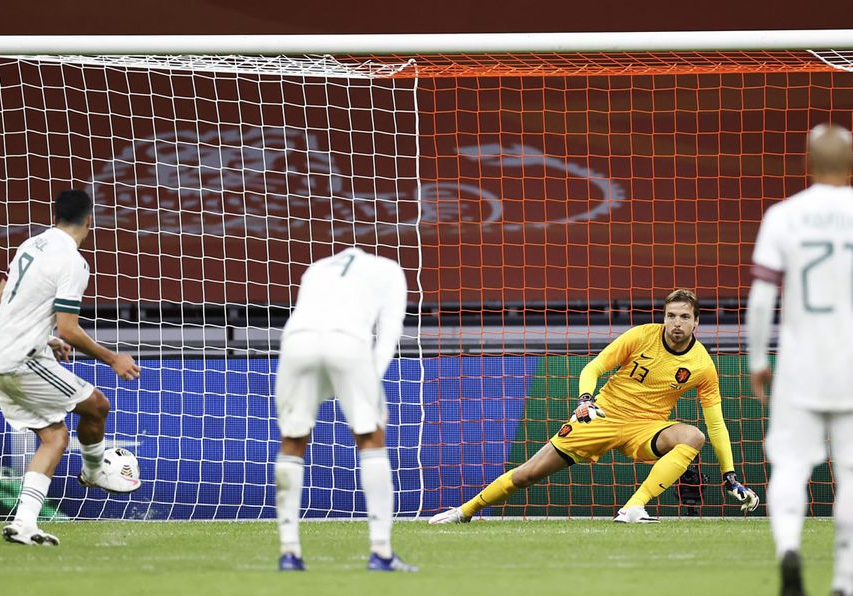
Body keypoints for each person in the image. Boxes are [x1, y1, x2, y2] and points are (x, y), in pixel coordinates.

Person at [430, 288, 759, 525]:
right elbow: (594, 368)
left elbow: (716, 424)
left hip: (645, 429)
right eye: (671, 315)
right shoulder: (640, 336)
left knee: (693, 436)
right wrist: (586, 399)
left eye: (684, 317)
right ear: (663, 317)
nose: (676, 323)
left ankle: (632, 508)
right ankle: (464, 511)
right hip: (601, 416)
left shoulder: (702, 366)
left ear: (696, 322)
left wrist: (729, 475)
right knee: (528, 474)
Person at [0, 189, 142, 546]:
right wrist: (113, 358)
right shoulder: (73, 261)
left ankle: (23, 524)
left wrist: (46, 337)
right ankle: (94, 471)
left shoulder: (31, 245)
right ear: (89, 220)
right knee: (97, 405)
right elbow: (69, 328)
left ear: (55, 216)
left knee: (55, 436)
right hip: (21, 358)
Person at [749, 123, 853, 596]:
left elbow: (761, 296)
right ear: (849, 164)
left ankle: (789, 547)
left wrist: (755, 358)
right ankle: (844, 580)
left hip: (799, 365)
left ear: (808, 164)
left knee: (790, 466)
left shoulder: (784, 215)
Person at [272, 246, 416, 572]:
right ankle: (381, 553)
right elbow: (389, 331)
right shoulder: (391, 270)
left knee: (293, 439)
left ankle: (289, 552)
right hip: (348, 341)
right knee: (370, 436)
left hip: (296, 341)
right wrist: (373, 386)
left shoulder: (318, 266)